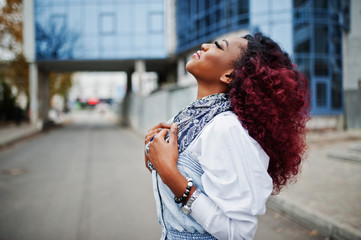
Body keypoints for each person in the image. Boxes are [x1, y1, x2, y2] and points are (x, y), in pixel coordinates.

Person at [144, 32, 310, 240]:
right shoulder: (186, 116)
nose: (204, 45)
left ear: (229, 76)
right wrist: (155, 159)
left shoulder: (225, 127)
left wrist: (171, 176)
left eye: (218, 46)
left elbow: (239, 233)